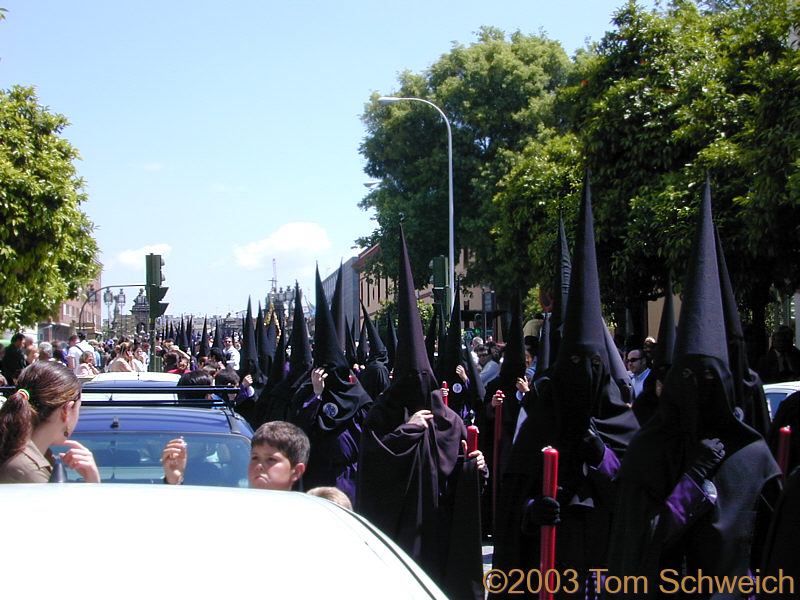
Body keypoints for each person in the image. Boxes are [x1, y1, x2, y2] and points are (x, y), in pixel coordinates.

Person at [358, 228, 486, 600]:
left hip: (441, 532)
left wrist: (474, 468)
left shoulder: (450, 421)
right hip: (398, 535)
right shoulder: (382, 416)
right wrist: (407, 431)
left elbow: (461, 477)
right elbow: (373, 464)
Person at [0, 361, 100, 483]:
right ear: (66, 411)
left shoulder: (17, 453)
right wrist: (93, 482)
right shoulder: (28, 472)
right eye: (79, 408)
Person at [162, 420, 308, 491]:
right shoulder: (231, 505)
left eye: (271, 459)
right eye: (255, 457)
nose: (259, 466)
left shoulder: (307, 516)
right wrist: (175, 481)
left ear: (296, 471)